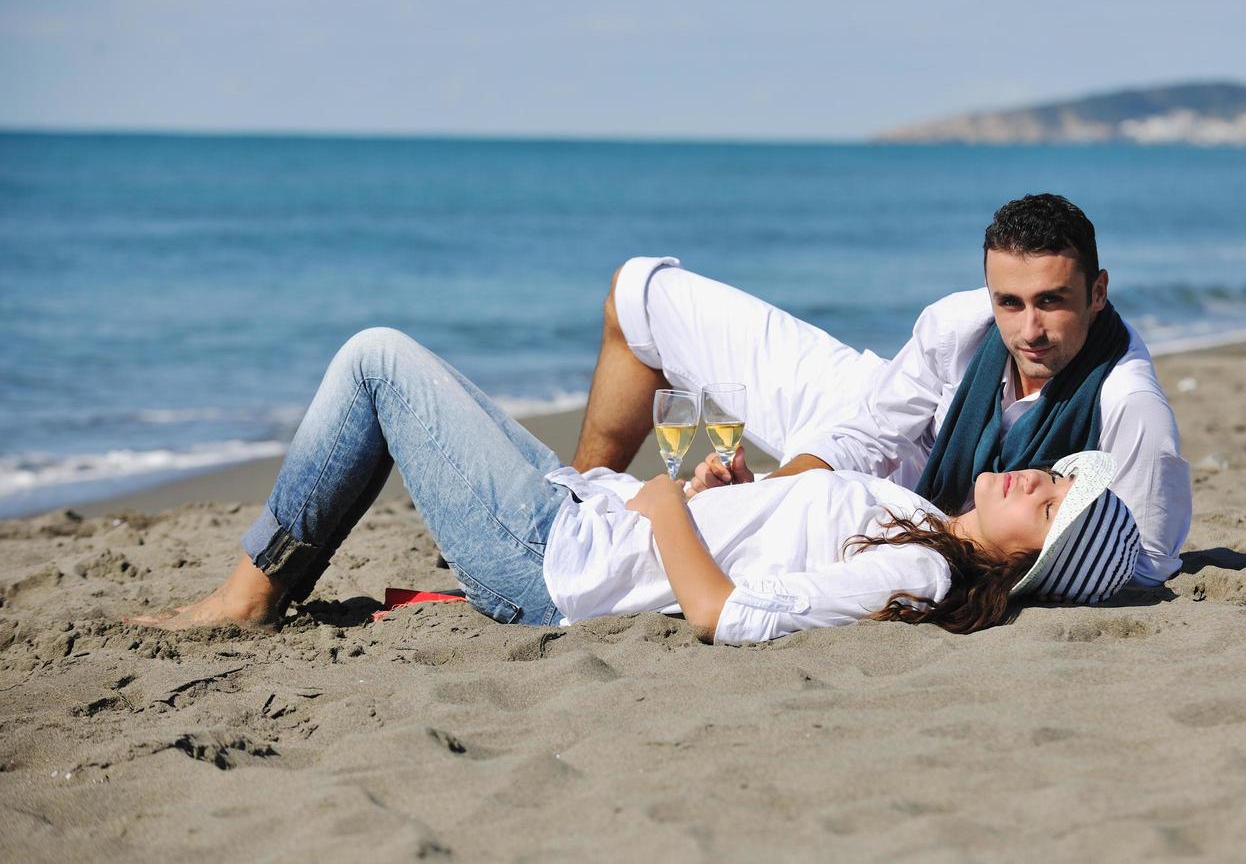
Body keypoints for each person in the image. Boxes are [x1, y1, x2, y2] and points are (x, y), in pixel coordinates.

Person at [132, 328, 1141, 645]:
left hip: (554, 559)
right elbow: (761, 551)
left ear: (1028, 557)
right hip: (581, 508)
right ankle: (263, 580)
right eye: (1053, 475)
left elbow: (728, 613)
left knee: (377, 360)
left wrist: (665, 508)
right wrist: (716, 496)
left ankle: (251, 594)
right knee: (396, 371)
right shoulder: (919, 511)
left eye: (1046, 504)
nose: (1030, 477)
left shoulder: (919, 566)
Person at [570, 193, 1191, 585]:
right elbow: (869, 431)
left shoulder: (1129, 405)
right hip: (874, 424)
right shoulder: (958, 325)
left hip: (913, 514)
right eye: (1010, 301)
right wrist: (765, 495)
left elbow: (1147, 561)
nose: (1029, 329)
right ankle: (576, 507)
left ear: (1098, 292)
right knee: (639, 295)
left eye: (1052, 302)